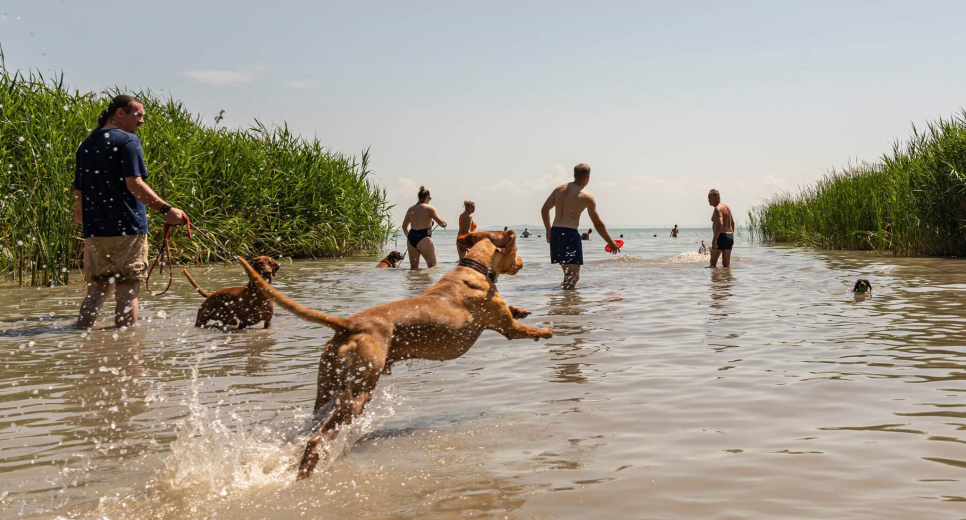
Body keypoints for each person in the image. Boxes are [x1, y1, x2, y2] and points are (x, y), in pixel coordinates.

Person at [74, 95, 187, 329]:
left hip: (94, 231)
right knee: (127, 291)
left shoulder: (87, 144)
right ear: (120, 113)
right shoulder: (128, 141)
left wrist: (91, 223)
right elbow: (134, 184)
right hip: (127, 230)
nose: (142, 121)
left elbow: (79, 197)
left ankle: (80, 340)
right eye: (139, 115)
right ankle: (126, 351)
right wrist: (166, 209)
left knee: (97, 290)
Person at [541, 163, 620, 289]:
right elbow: (597, 223)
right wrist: (610, 242)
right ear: (588, 177)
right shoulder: (586, 197)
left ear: (574, 175)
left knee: (568, 275)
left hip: (556, 233)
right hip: (569, 234)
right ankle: (566, 306)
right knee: (573, 276)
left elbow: (544, 210)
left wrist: (548, 230)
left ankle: (561, 302)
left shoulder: (559, 189)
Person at [402, 186, 446, 269]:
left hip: (411, 238)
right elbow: (440, 222)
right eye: (430, 198)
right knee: (433, 267)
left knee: (413, 269)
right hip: (424, 238)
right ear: (427, 197)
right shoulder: (430, 208)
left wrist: (409, 238)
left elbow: (404, 227)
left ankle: (414, 281)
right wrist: (444, 224)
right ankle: (427, 282)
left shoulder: (410, 209)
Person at [708, 188, 735, 268]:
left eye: (710, 198)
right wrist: (731, 235)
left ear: (717, 197)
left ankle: (714, 280)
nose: (708, 200)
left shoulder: (717, 209)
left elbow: (720, 224)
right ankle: (728, 279)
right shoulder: (726, 207)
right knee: (726, 265)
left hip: (721, 237)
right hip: (729, 237)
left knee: (712, 263)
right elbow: (732, 223)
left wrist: (714, 239)